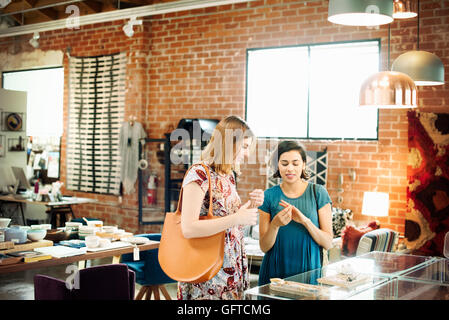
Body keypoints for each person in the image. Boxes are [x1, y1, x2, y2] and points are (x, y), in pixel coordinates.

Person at [178, 115, 264, 300]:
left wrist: (250, 206)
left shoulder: (227, 175)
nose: (247, 154)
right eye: (245, 147)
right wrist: (237, 218)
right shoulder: (199, 173)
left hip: (230, 270)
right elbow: (189, 228)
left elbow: (226, 216)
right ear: (228, 143)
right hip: (207, 273)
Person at [257, 140, 333, 286]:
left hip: (308, 272)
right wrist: (275, 225)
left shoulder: (318, 193)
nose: (289, 169)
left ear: (304, 164)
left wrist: (305, 221)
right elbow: (264, 247)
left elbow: (328, 243)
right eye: (284, 164)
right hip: (274, 272)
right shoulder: (268, 196)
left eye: (295, 163)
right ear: (277, 166)